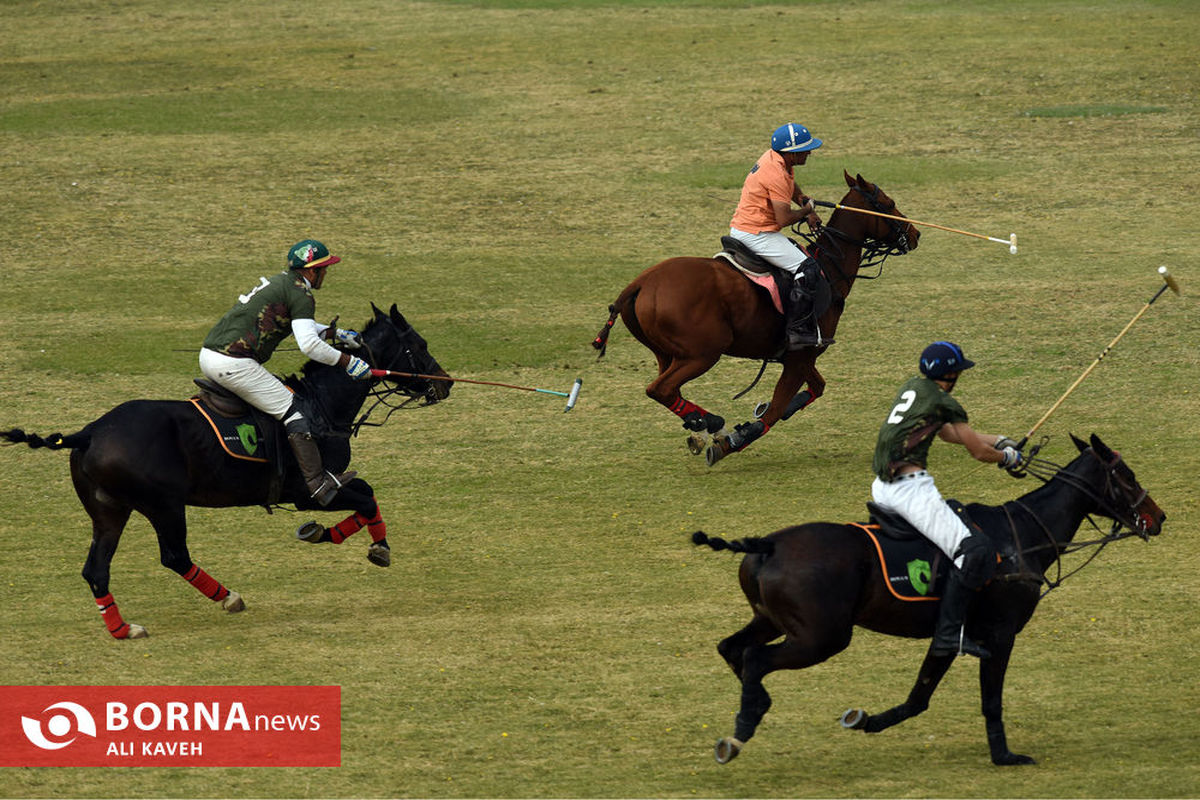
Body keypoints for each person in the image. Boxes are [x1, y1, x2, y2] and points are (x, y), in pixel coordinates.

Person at [870, 341, 1023, 658]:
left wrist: (998, 440)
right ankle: (949, 634)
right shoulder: (945, 402)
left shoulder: (914, 388)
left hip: (881, 487)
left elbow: (945, 434)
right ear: (950, 374)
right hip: (907, 491)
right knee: (975, 552)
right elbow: (978, 453)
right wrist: (1006, 457)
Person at [199, 239, 371, 506]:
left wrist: (336, 333)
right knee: (295, 412)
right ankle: (317, 484)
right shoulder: (302, 294)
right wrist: (348, 361)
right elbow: (310, 345)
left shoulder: (282, 283)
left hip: (210, 356)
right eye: (324, 268)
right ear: (312, 270)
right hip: (233, 363)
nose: (327, 273)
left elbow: (302, 325)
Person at [729, 122, 830, 349]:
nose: (810, 152)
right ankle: (798, 331)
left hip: (746, 227)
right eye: (806, 149)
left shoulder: (777, 158)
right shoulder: (775, 172)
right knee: (808, 268)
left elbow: (790, 184)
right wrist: (806, 211)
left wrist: (805, 203)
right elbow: (783, 220)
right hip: (756, 234)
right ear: (792, 154)